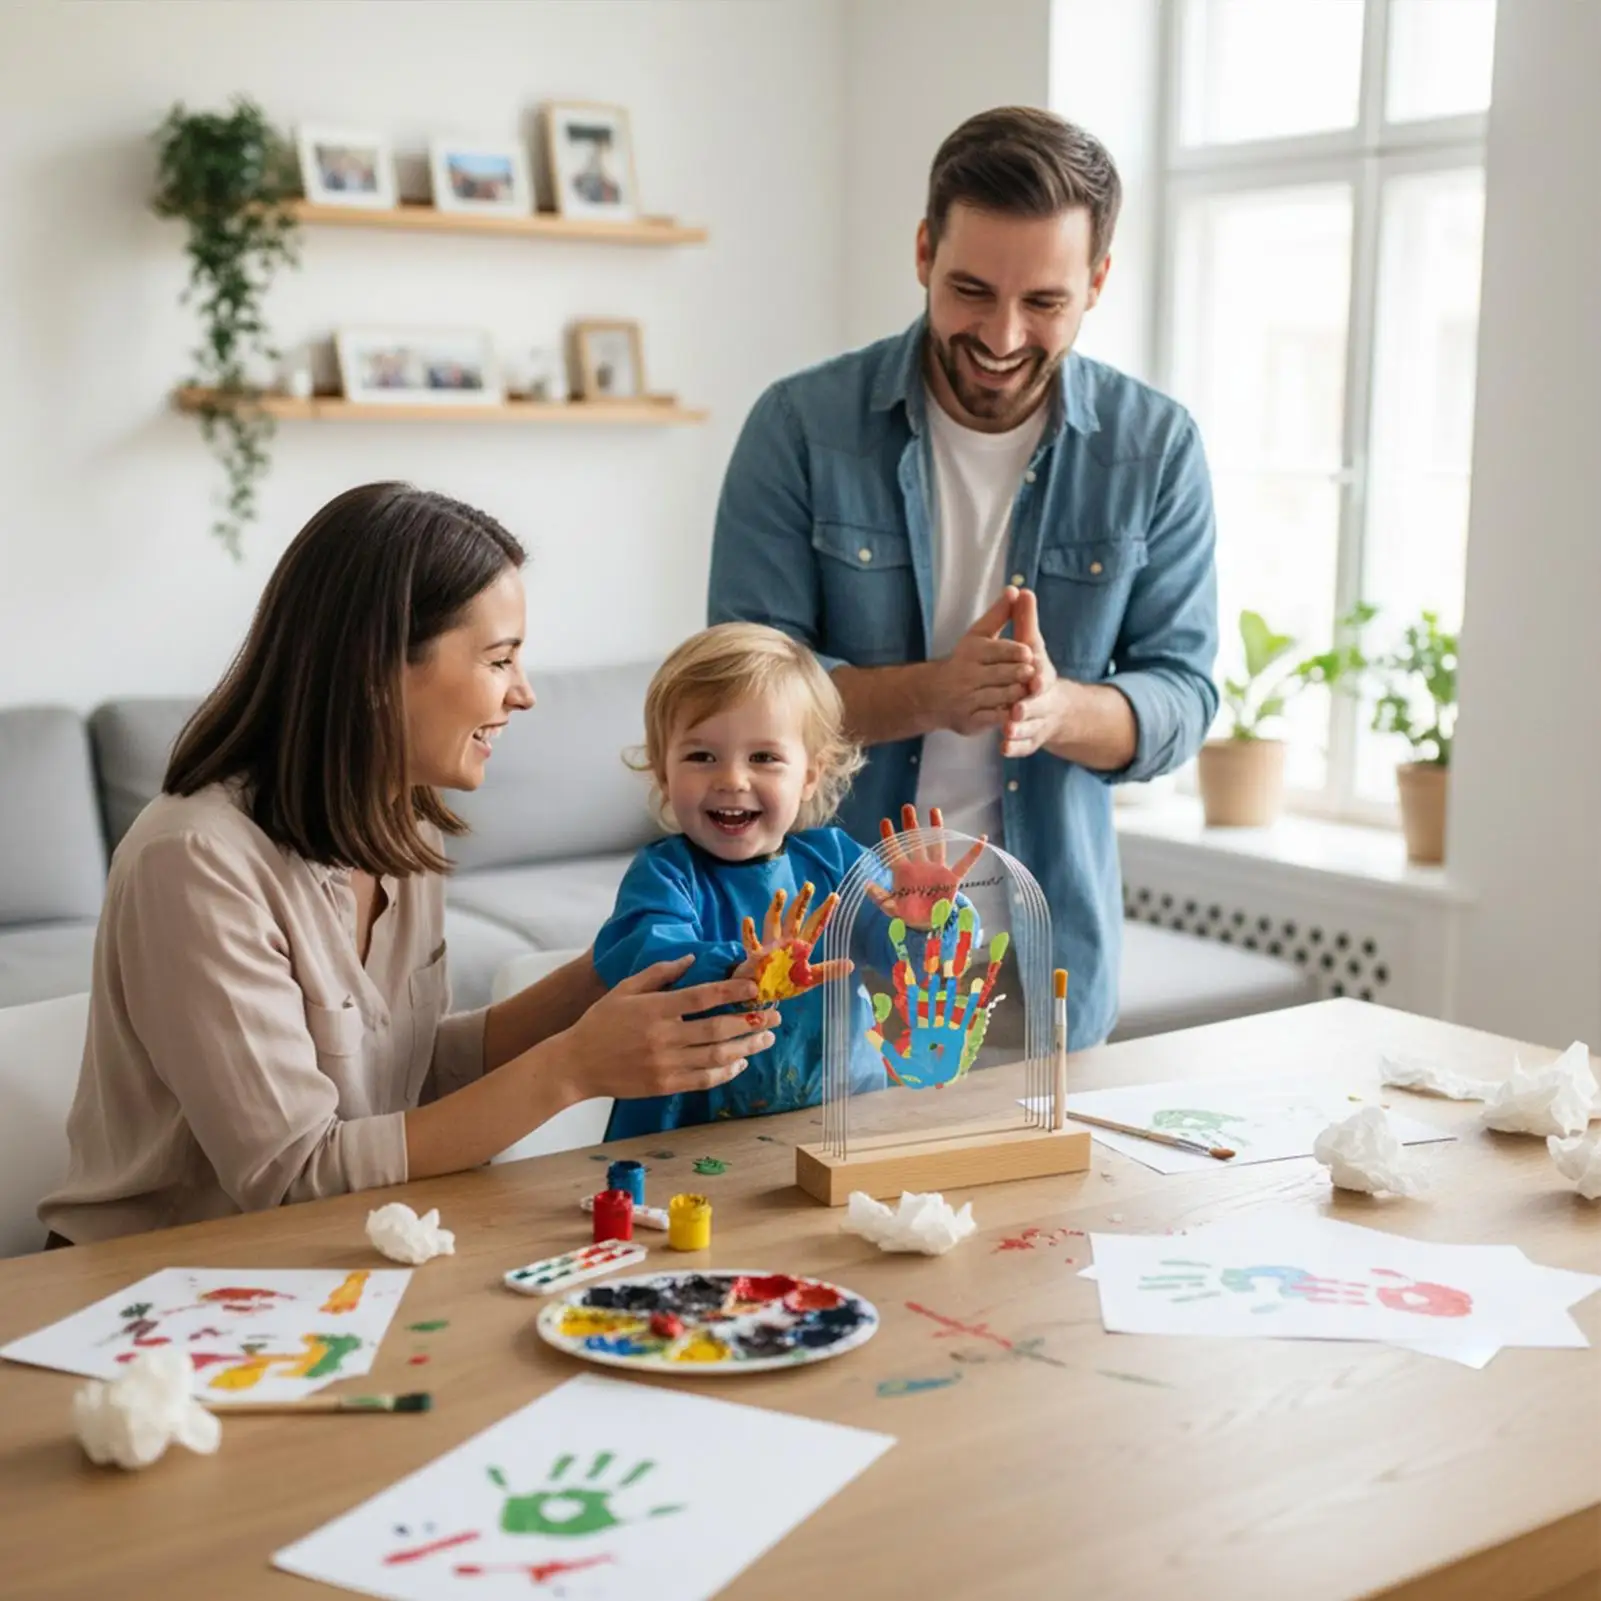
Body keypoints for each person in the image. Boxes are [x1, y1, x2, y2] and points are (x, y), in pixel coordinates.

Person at [40, 484, 780, 1245]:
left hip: (340, 1248)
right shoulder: (194, 863)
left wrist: (626, 961)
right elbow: (294, 1174)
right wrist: (572, 1069)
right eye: (499, 659)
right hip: (148, 1282)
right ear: (377, 668)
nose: (524, 693)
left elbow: (405, 1069)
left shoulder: (398, 823)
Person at [709, 106, 1219, 1049]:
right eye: (970, 290)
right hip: (825, 947)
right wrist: (933, 694)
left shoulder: (1156, 448)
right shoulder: (798, 428)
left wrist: (1059, 711)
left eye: (1044, 303)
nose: (1000, 334)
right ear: (921, 253)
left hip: (1041, 959)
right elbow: (739, 700)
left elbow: (1183, 695)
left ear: (1097, 282)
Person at [592, 623, 986, 1138]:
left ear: (809, 775)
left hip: (836, 1122)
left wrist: (925, 924)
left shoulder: (838, 864)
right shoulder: (665, 875)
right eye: (701, 756)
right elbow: (644, 961)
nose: (732, 778)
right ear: (664, 772)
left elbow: (920, 970)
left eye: (763, 758)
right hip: (690, 1137)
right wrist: (742, 968)